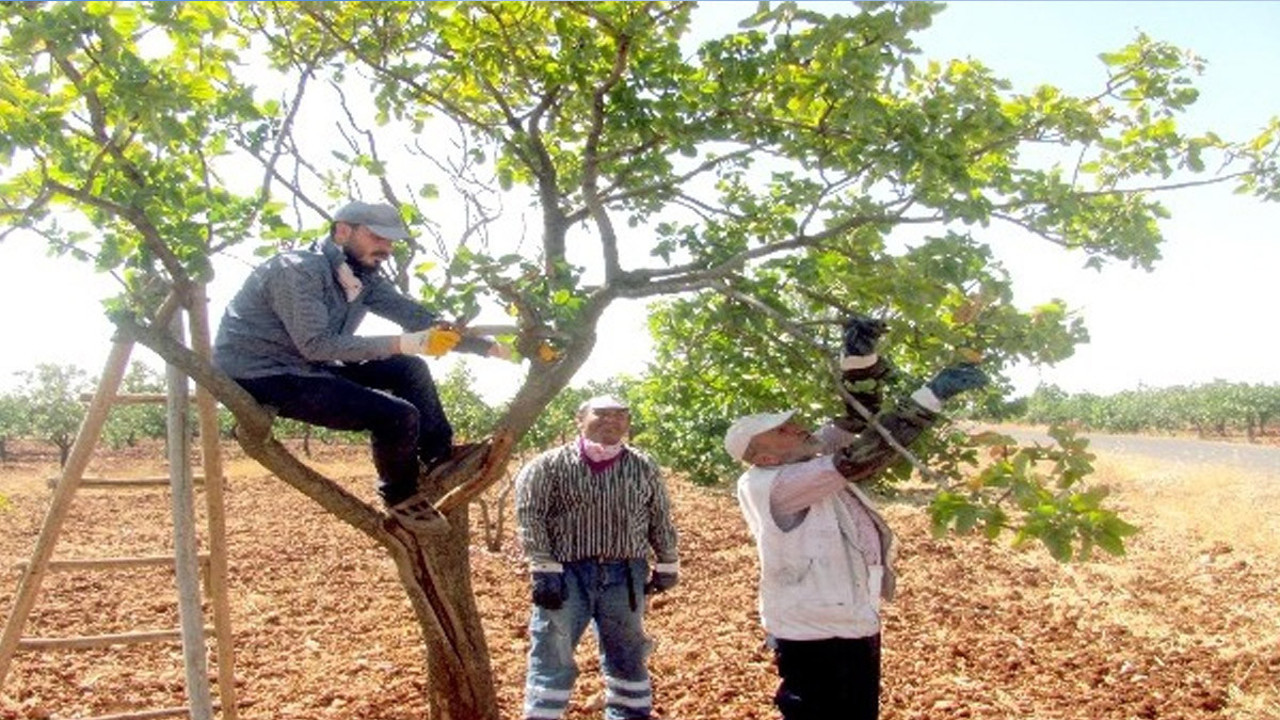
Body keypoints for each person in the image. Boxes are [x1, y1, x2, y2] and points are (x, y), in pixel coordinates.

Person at [723, 316, 988, 720]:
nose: (798, 428)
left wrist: (858, 363)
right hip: (816, 627)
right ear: (764, 457)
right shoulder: (777, 483)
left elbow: (857, 421)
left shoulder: (800, 457)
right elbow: (866, 454)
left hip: (844, 617)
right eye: (783, 430)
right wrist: (931, 396)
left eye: (792, 422)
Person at [213, 200, 509, 532]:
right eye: (377, 237)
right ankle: (400, 496)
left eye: (391, 241)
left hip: (309, 366)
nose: (386, 248)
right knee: (396, 415)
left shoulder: (363, 274)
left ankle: (439, 457)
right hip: (263, 372)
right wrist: (407, 342)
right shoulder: (297, 270)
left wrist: (496, 349)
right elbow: (316, 345)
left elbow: (419, 319)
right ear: (342, 231)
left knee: (409, 369)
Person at [515, 395, 680, 720]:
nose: (611, 421)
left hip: (625, 574)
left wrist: (667, 562)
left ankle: (629, 714)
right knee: (553, 651)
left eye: (620, 415)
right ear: (579, 419)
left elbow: (659, 515)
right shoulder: (547, 465)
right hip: (566, 573)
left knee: (627, 651)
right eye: (601, 414)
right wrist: (542, 567)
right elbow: (530, 515)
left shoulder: (643, 466)